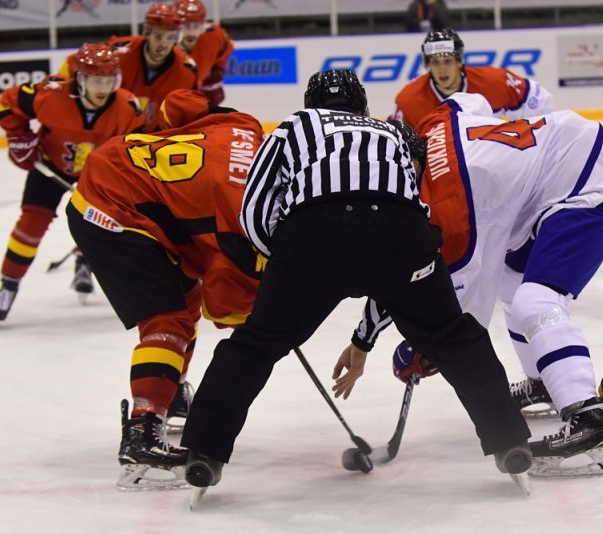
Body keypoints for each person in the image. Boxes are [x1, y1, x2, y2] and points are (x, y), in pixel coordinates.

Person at [180, 69, 533, 500]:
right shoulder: (394, 132)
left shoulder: (295, 124)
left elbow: (254, 207)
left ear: (310, 104)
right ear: (363, 107)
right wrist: (373, 319)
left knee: (255, 345)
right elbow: (411, 209)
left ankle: (205, 451)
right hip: (402, 236)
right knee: (453, 337)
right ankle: (509, 441)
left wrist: (283, 261)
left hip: (313, 236)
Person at [350, 92, 603, 477]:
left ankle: (590, 420)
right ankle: (544, 382)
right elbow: (470, 102)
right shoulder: (435, 123)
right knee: (511, 282)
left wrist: (425, 349)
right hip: (567, 156)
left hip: (592, 186)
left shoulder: (453, 210)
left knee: (536, 300)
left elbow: (465, 321)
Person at [66, 89, 265, 489]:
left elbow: (179, 104)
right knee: (167, 321)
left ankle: (168, 392)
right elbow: (223, 309)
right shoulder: (242, 224)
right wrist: (264, 309)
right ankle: (142, 431)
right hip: (113, 209)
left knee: (186, 301)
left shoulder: (245, 127)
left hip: (117, 167)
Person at [0, 43, 144, 327]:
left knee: (98, 225)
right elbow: (6, 105)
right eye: (96, 80)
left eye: (108, 80)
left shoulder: (128, 107)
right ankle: (8, 285)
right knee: (31, 224)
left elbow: (135, 148)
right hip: (50, 167)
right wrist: (18, 136)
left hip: (95, 176)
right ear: (80, 79)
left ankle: (84, 262)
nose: (103, 87)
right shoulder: (51, 94)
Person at [60, 3, 199, 132]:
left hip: (156, 137)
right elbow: (74, 63)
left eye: (170, 38)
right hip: (114, 134)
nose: (163, 44)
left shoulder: (186, 71)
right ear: (147, 32)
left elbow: (188, 113)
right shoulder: (119, 53)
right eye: (158, 36)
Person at [391, 28, 554, 130]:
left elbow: (539, 101)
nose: (442, 69)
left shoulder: (495, 81)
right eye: (435, 62)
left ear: (459, 61)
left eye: (447, 61)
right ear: (428, 65)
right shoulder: (409, 100)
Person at [174, 0, 235, 105]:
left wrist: (216, 72)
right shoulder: (164, 43)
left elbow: (227, 48)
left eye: (196, 26)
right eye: (186, 26)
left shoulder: (214, 36)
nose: (192, 33)